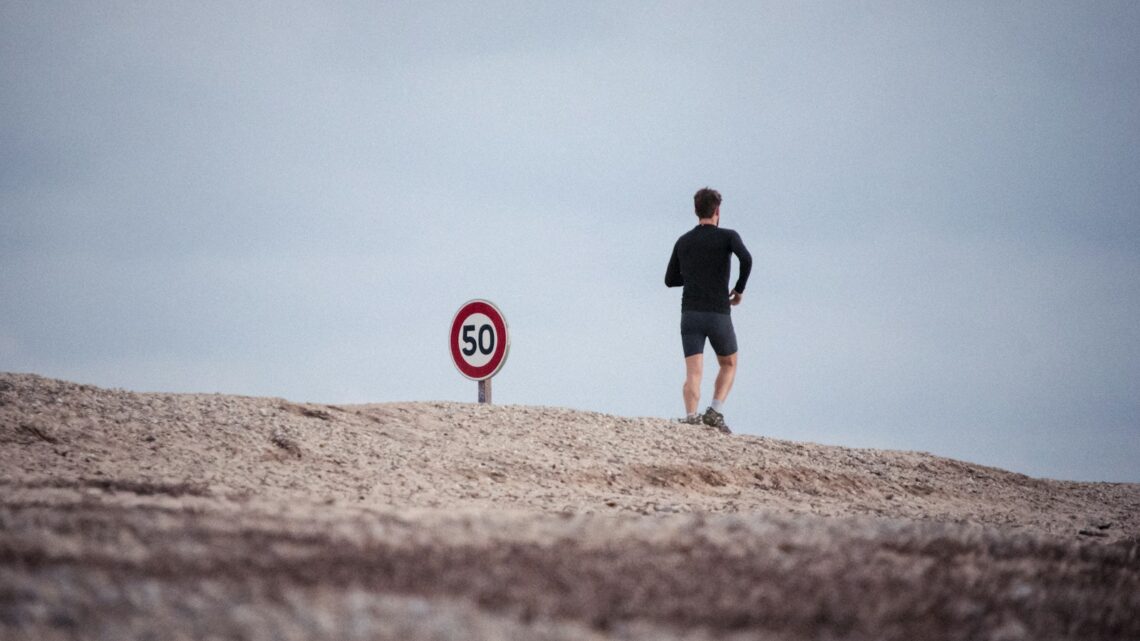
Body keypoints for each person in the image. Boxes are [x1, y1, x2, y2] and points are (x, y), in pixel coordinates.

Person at [664, 187, 752, 433]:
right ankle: (714, 410)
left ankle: (691, 416)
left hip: (690, 314)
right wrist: (739, 288)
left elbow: (670, 280)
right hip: (718, 313)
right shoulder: (728, 237)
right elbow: (746, 259)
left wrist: (694, 277)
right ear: (717, 210)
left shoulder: (684, 241)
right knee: (729, 363)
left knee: (694, 371)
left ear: (695, 211)